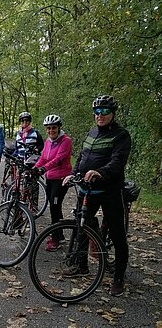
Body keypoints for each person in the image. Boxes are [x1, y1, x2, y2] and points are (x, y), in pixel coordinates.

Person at [62, 95, 131, 297]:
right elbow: (82, 157)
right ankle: (81, 264)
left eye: (104, 112)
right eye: (96, 112)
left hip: (110, 191)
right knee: (80, 226)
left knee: (118, 235)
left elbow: (118, 161)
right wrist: (74, 174)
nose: (99, 115)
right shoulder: (92, 133)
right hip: (87, 190)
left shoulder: (121, 135)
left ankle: (118, 277)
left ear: (112, 114)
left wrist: (101, 172)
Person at [33, 114, 72, 251]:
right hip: (50, 178)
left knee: (55, 206)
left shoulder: (65, 141)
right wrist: (33, 169)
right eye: (48, 128)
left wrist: (43, 169)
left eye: (53, 128)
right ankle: (59, 234)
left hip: (61, 179)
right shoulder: (48, 141)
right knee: (54, 206)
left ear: (58, 127)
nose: (51, 131)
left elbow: (58, 160)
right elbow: (43, 158)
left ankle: (56, 239)